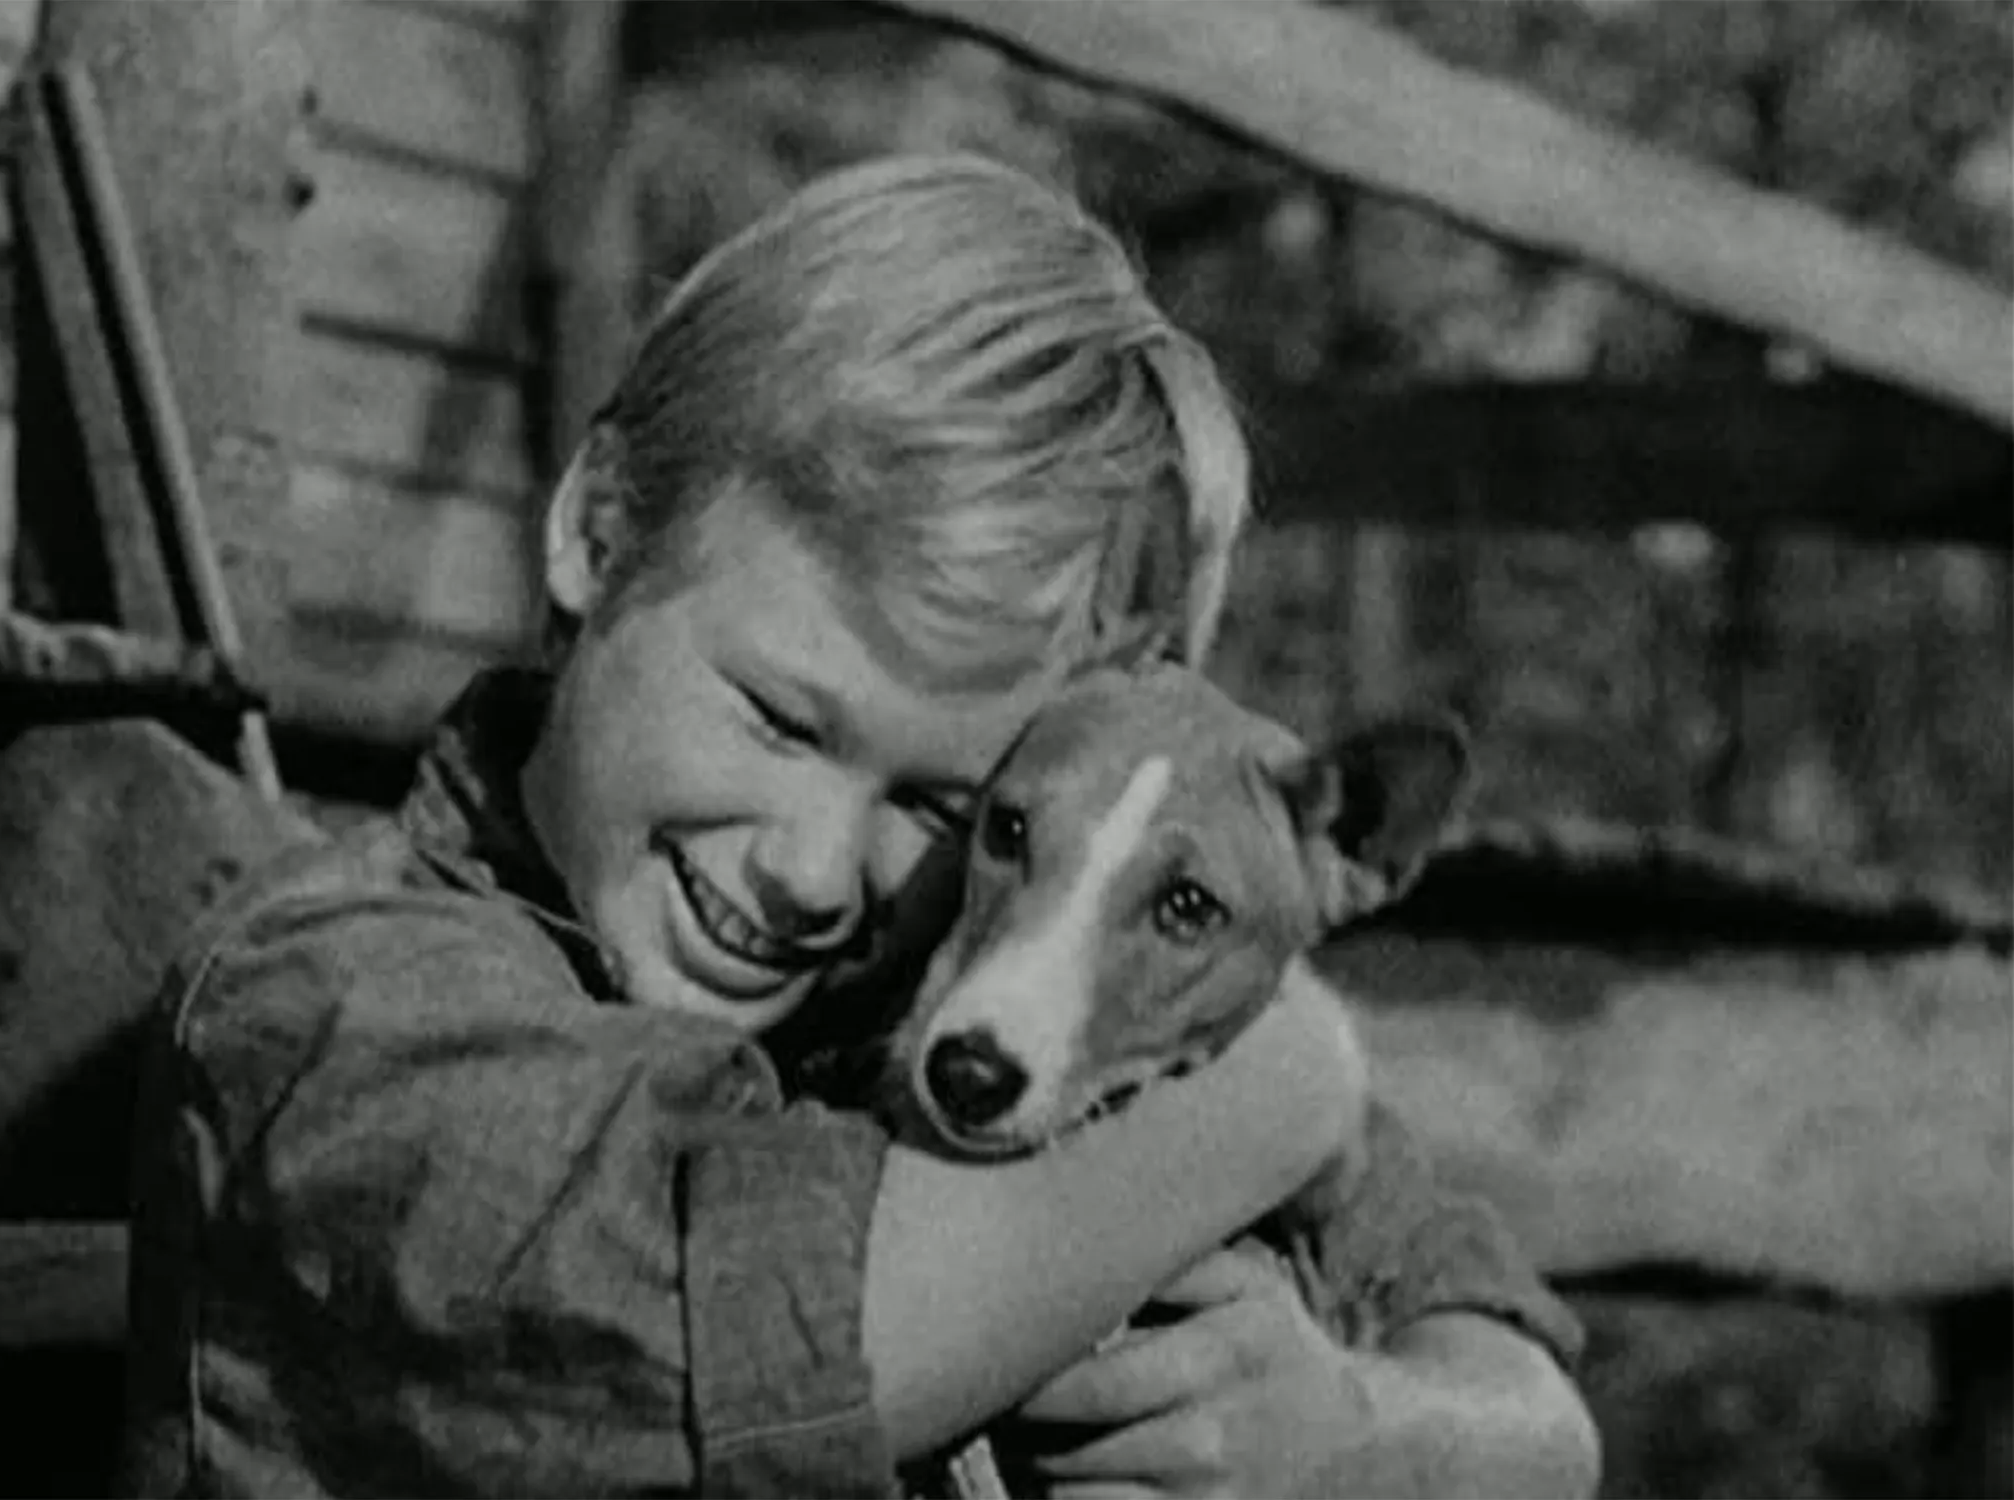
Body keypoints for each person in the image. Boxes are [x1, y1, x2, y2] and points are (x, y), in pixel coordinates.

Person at [118, 153, 1599, 1498]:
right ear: (598, 530)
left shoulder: (933, 993)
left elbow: (1537, 1420)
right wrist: (1293, 1077)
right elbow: (840, 1333)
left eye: (945, 805)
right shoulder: (337, 1017)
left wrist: (1351, 1432)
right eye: (776, 715)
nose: (813, 874)